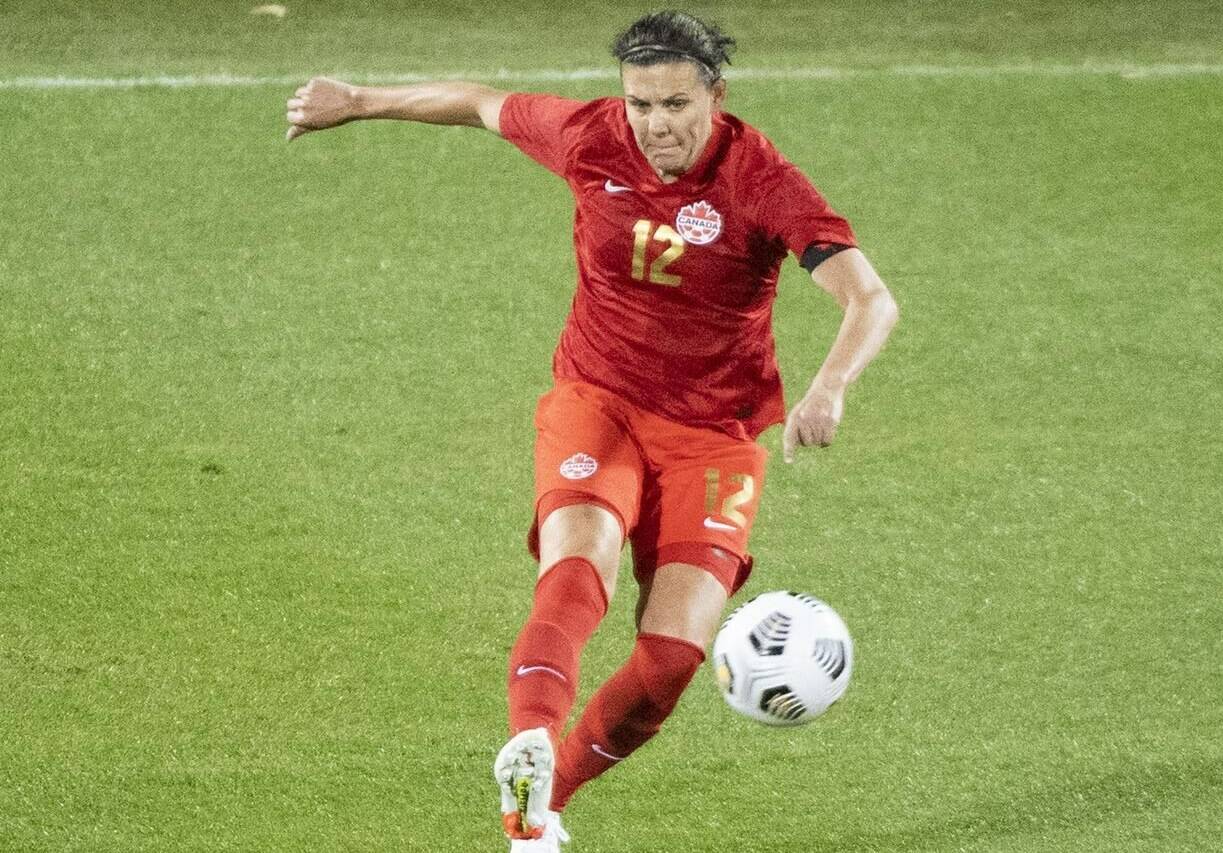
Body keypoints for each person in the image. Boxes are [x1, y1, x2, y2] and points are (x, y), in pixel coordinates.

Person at [286, 10, 898, 851]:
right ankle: (530, 748)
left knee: (671, 662)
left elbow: (871, 298)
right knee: (578, 567)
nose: (655, 125)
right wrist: (357, 100)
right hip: (597, 399)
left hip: (714, 434)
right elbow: (476, 102)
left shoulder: (759, 180)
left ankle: (544, 797)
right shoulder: (590, 135)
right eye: (641, 104)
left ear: (716, 96)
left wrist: (829, 387)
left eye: (676, 104)